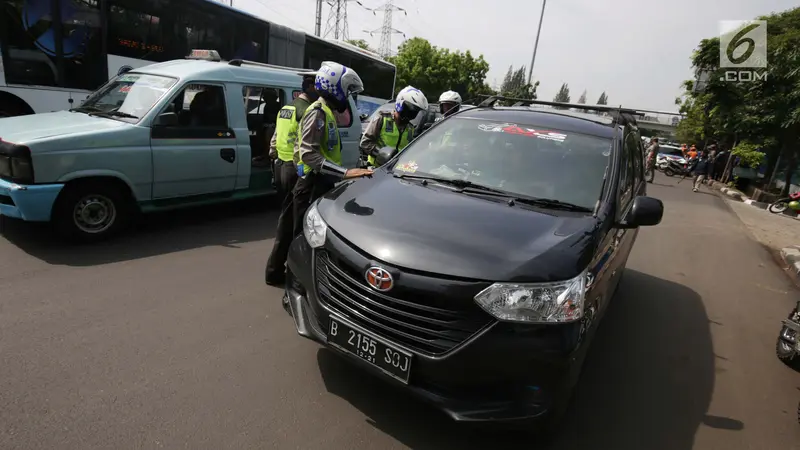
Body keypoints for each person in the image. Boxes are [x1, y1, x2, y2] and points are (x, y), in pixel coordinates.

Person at [265, 61, 373, 287]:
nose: (349, 96)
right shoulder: (317, 113)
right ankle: (294, 288)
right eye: (348, 91)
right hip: (310, 183)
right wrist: (345, 173)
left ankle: (277, 274)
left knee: (291, 229)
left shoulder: (325, 112)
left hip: (309, 180)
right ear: (335, 88)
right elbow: (308, 154)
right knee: (303, 238)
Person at [268, 72, 319, 204]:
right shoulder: (308, 110)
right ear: (310, 87)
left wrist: (273, 153)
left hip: (280, 163)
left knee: (285, 202)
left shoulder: (286, 108)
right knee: (296, 203)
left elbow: (277, 134)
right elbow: (305, 140)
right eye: (317, 87)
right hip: (296, 165)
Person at [359, 86, 429, 167]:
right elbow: (365, 143)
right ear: (401, 104)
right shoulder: (382, 118)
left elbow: (409, 152)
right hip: (375, 169)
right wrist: (381, 154)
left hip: (395, 172)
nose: (411, 115)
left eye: (414, 113)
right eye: (410, 110)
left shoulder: (410, 128)